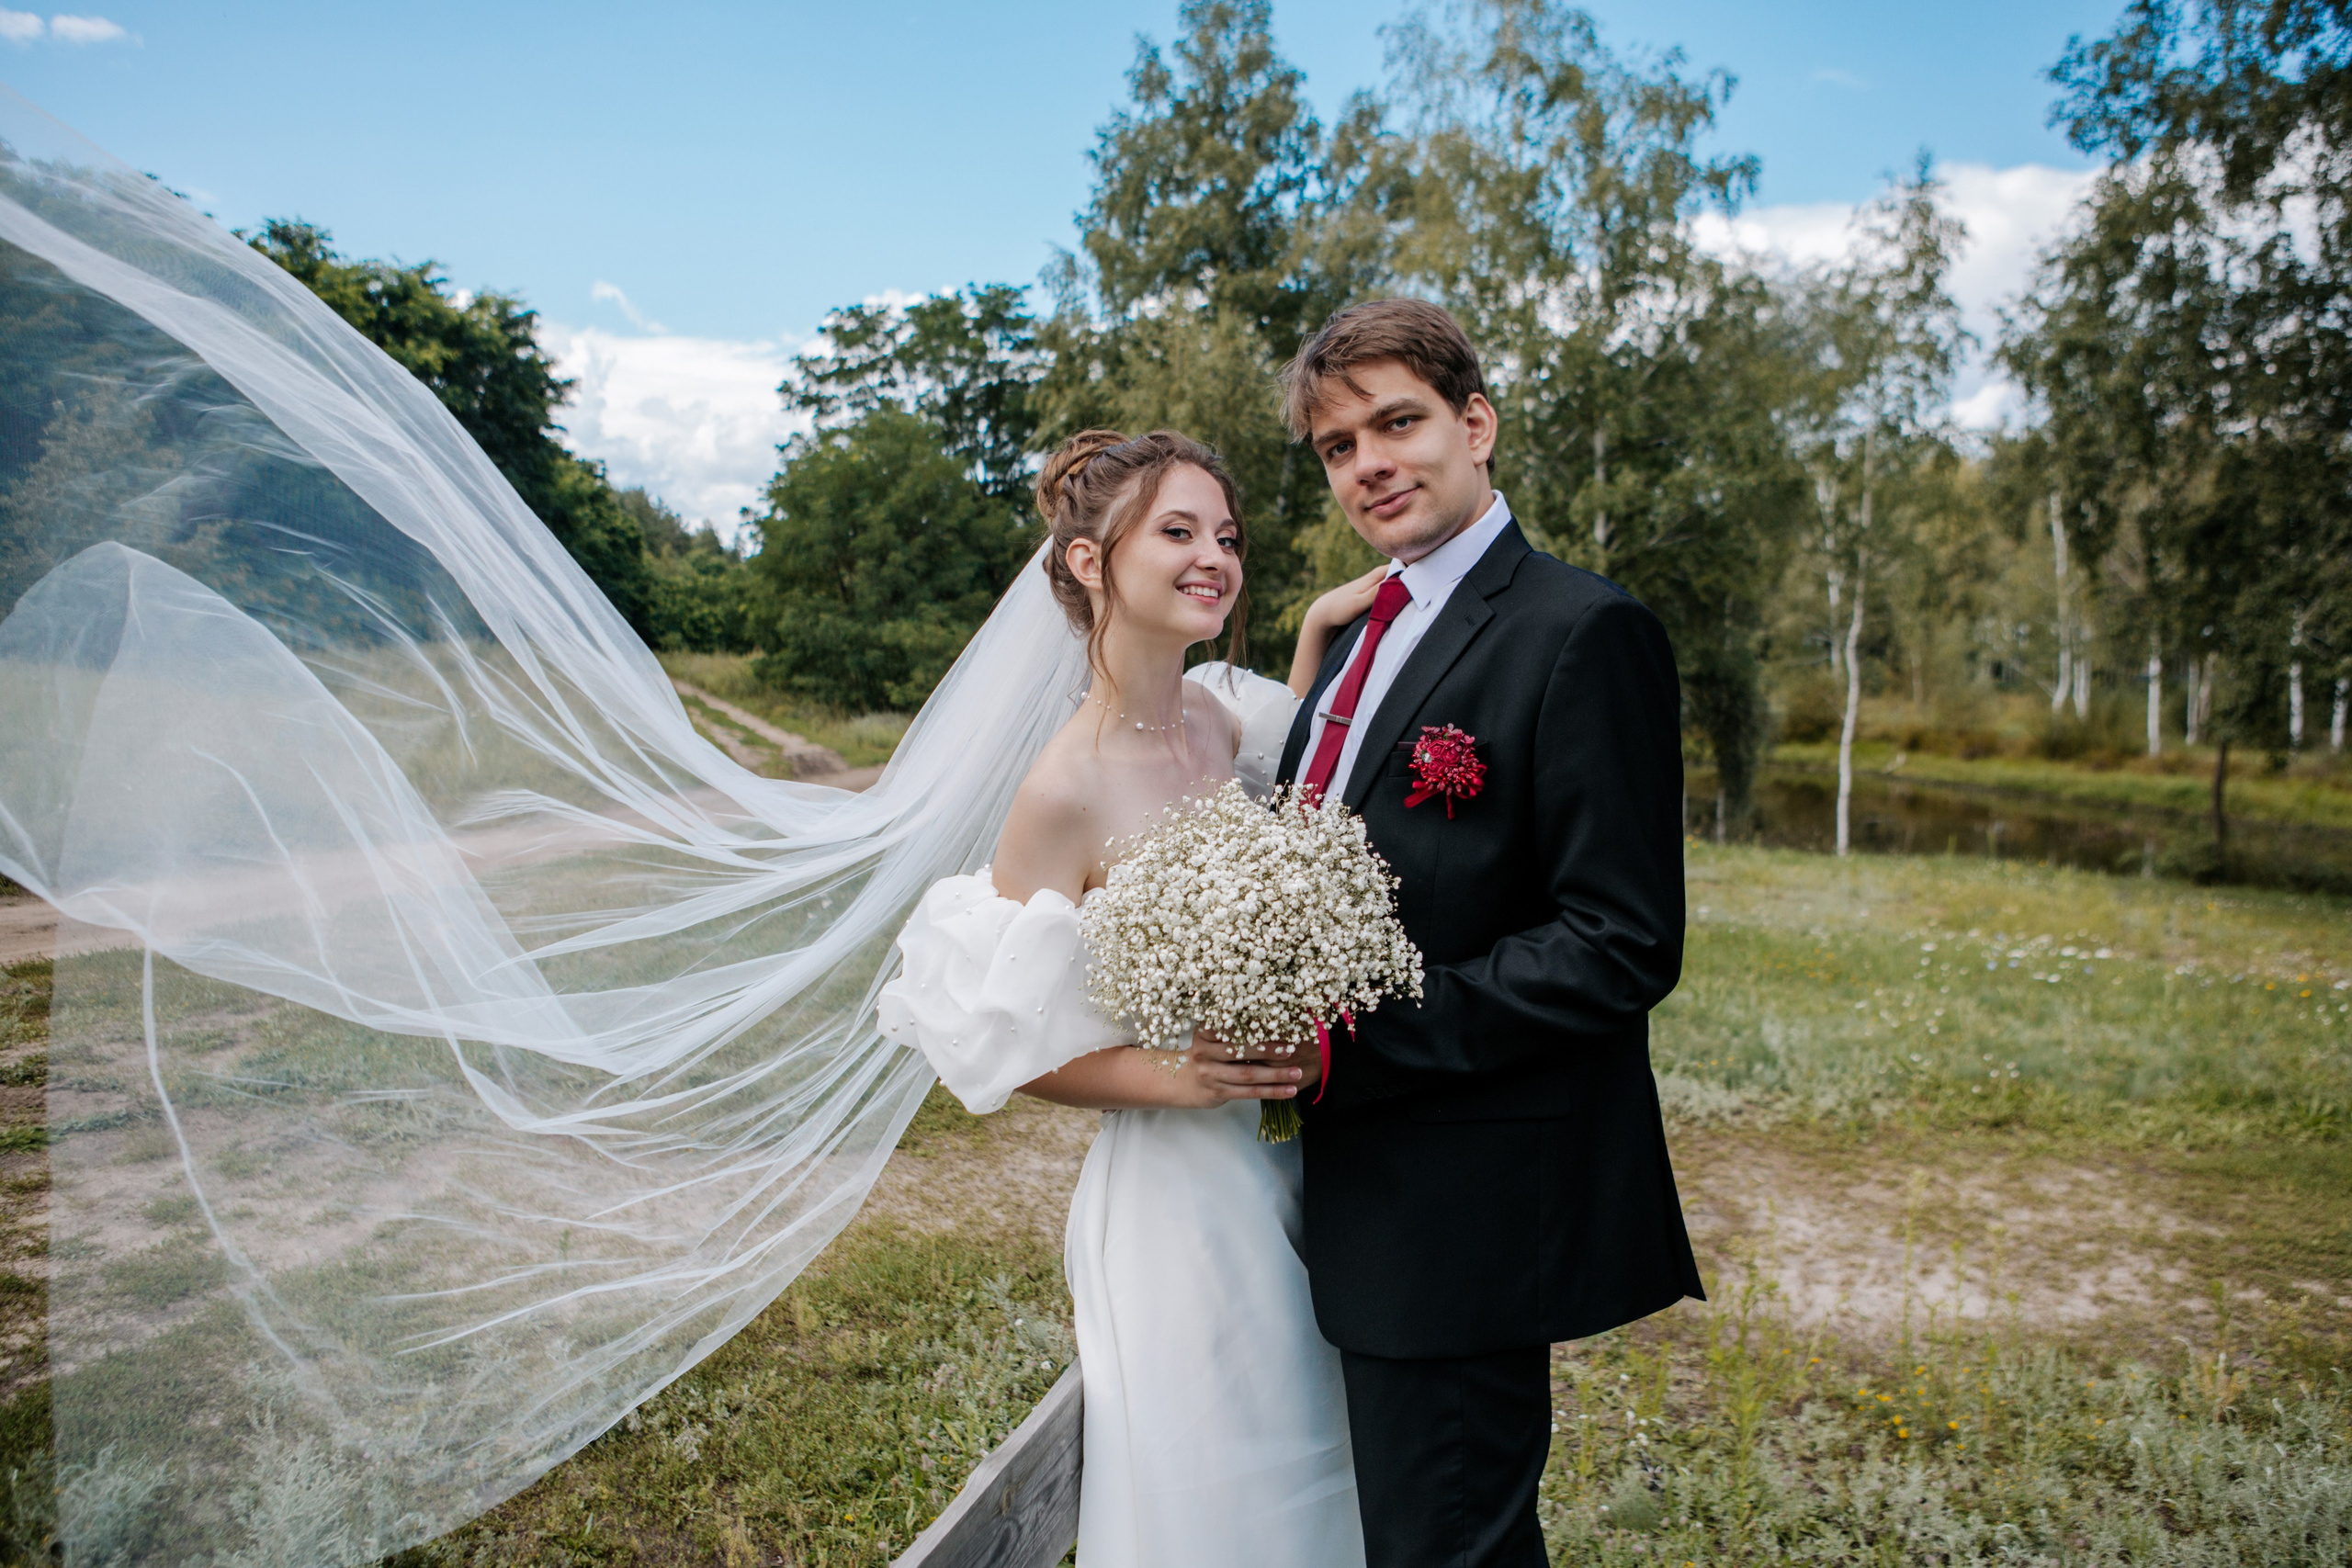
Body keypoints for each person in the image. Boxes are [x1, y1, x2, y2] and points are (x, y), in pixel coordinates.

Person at [876, 429, 1375, 1568]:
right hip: (1179, 1203)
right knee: (1221, 1499)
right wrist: (1177, 1076)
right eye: (1178, 532)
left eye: (1227, 537)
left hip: (1299, 1164)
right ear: (1093, 563)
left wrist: (1308, 636)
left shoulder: (1220, 715)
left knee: (1323, 1472)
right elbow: (995, 1042)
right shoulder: (1064, 787)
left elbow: (1293, 825)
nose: (1215, 557)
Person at [1261, 299, 1706, 1567]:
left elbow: (1621, 940)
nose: (1369, 464)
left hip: (1456, 1199)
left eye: (1397, 422)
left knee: (1446, 1541)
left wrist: (1348, 1044)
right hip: (1333, 1183)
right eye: (1339, 446)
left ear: (1476, 422)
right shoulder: (1351, 634)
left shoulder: (1581, 628)